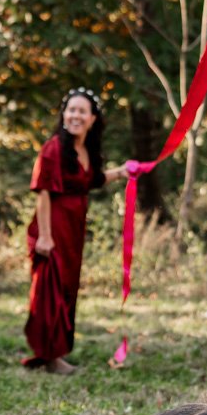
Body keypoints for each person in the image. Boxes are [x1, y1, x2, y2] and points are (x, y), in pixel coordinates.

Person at [23, 88, 129, 373]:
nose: (75, 116)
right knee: (51, 291)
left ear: (93, 118)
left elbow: (90, 181)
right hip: (52, 226)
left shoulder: (85, 150)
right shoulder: (54, 148)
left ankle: (57, 351)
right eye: (71, 110)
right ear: (63, 114)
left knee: (68, 288)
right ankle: (50, 356)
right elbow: (43, 192)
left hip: (73, 229)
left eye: (82, 111)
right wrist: (44, 235)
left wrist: (120, 173)